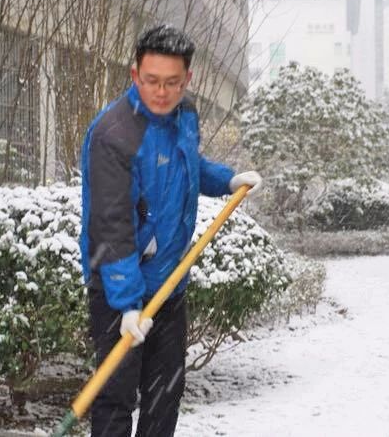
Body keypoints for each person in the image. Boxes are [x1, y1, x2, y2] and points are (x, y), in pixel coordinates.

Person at [79, 24, 262, 437]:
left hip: (170, 283)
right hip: (117, 287)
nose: (161, 93)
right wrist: (126, 305)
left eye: (172, 83)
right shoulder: (114, 134)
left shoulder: (185, 115)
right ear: (134, 75)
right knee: (116, 399)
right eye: (152, 81)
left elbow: (185, 165)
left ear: (188, 80)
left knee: (165, 398)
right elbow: (111, 224)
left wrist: (227, 180)